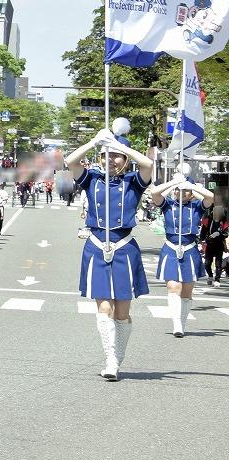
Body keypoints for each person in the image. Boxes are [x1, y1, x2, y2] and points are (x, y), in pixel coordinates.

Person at [65, 121, 153, 381]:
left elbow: (148, 165)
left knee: (122, 312)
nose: (111, 160)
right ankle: (111, 360)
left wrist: (118, 144)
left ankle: (118, 355)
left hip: (124, 247)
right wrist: (95, 143)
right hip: (96, 245)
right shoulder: (91, 179)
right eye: (106, 156)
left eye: (116, 156)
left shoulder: (133, 182)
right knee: (104, 307)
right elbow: (70, 161)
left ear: (125, 159)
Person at [149, 173, 214, 337]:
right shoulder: (167, 205)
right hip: (171, 248)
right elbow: (155, 193)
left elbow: (210, 197)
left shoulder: (198, 206)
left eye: (185, 191)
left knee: (186, 291)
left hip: (190, 249)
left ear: (191, 194)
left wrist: (191, 186)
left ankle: (182, 324)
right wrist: (173, 183)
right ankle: (176, 324)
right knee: (173, 287)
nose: (181, 192)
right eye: (179, 190)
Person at [202, 208, 228, 286]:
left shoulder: (224, 222)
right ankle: (210, 276)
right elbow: (203, 231)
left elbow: (226, 233)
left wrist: (219, 233)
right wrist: (202, 239)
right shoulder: (208, 220)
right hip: (209, 244)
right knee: (207, 263)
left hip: (219, 244)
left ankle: (217, 279)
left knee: (218, 263)